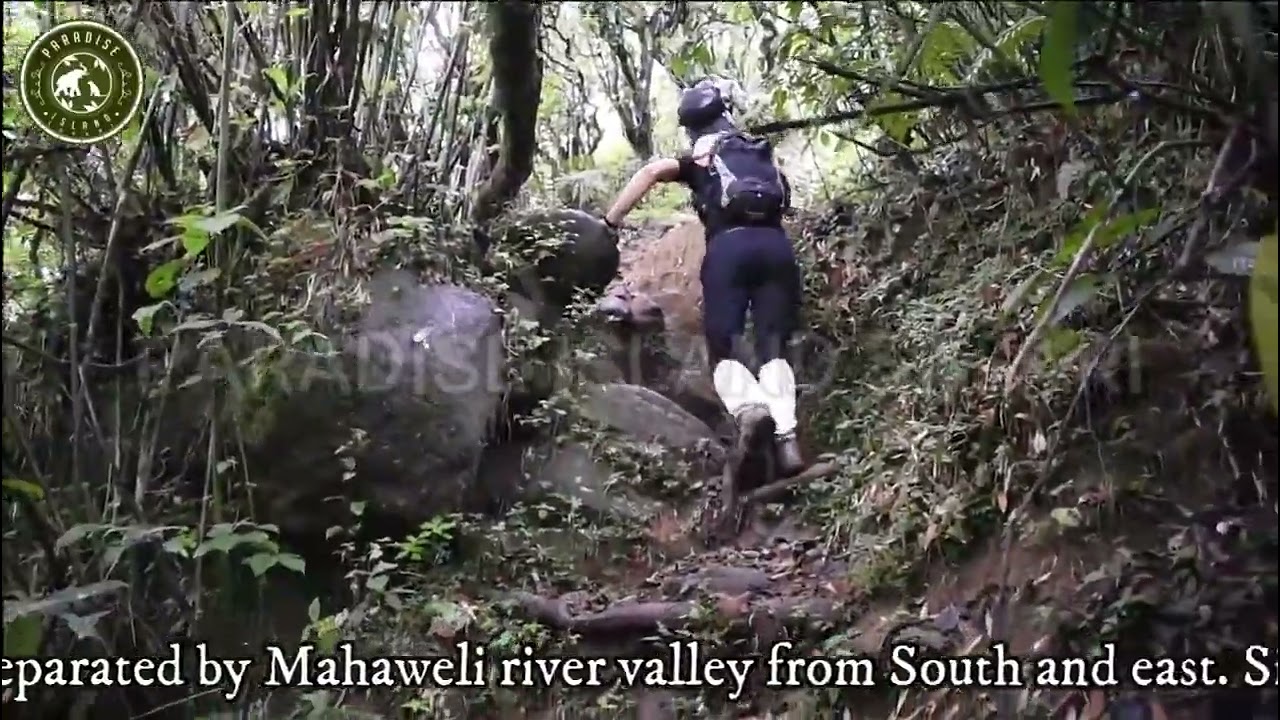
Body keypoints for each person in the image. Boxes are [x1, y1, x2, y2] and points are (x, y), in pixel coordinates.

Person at [601, 78, 806, 477]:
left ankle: (749, 409)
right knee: (773, 346)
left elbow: (652, 171)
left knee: (723, 346)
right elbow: (785, 193)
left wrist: (610, 221)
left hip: (729, 248)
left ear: (691, 126)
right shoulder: (756, 150)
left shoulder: (701, 157)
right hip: (777, 248)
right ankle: (788, 441)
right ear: (725, 114)